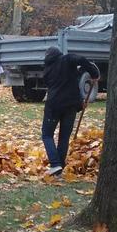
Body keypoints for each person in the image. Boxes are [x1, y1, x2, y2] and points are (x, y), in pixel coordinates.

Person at [42, 46, 100, 176]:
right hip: (71, 106)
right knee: (64, 137)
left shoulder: (47, 70)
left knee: (46, 135)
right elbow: (82, 60)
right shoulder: (68, 60)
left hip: (54, 106)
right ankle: (59, 167)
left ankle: (56, 164)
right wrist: (94, 74)